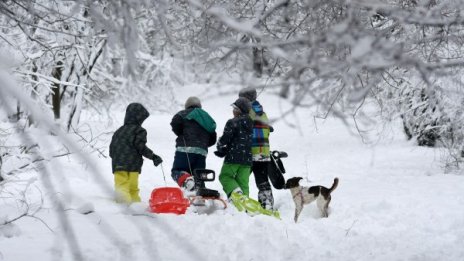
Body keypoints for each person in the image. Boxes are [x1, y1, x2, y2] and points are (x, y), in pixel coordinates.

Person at [109, 103, 163, 203]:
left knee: (121, 186)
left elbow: (111, 149)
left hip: (118, 165)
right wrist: (153, 157)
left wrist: (117, 159)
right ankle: (135, 205)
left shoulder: (118, 131)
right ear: (138, 118)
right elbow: (140, 147)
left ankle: (124, 205)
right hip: (134, 166)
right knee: (133, 188)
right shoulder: (139, 130)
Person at [239, 87, 275, 210]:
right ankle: (267, 203)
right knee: (262, 179)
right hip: (263, 152)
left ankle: (239, 202)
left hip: (248, 152)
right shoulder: (263, 114)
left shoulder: (246, 112)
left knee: (240, 179)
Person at [170, 96, 217, 191]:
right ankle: (200, 194)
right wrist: (203, 144)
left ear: (187, 105)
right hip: (201, 152)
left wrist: (181, 134)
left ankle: (187, 181)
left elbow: (174, 124)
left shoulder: (182, 114)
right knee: (199, 176)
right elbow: (213, 137)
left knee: (177, 171)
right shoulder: (207, 117)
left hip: (184, 149)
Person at [215, 97, 253, 199]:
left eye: (234, 108)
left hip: (233, 157)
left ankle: (236, 194)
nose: (233, 111)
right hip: (247, 158)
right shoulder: (251, 123)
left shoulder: (232, 122)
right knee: (243, 182)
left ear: (239, 110)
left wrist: (220, 145)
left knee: (225, 177)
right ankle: (245, 206)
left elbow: (225, 139)